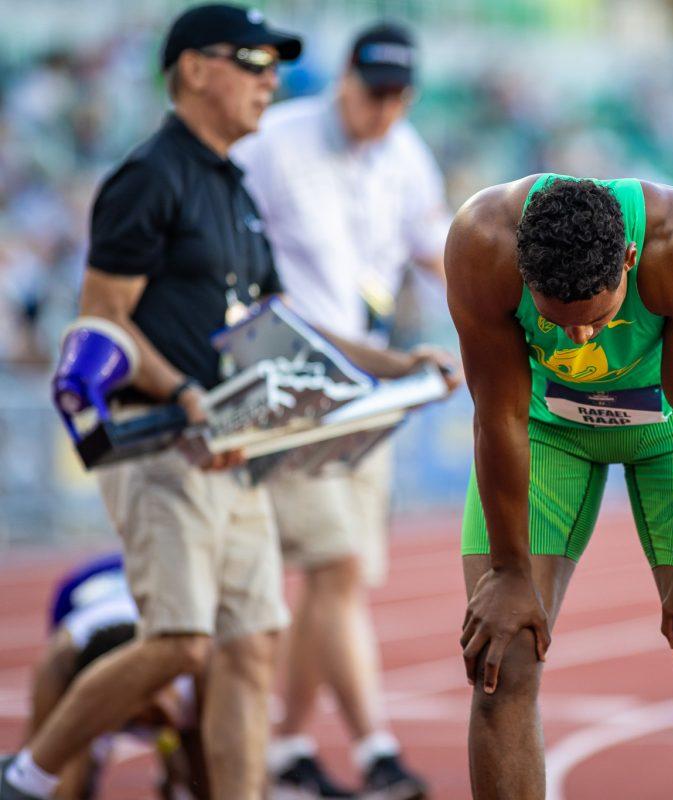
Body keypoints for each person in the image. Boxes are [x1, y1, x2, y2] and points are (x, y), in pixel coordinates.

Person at [1, 7, 446, 799]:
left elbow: (282, 322)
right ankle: (27, 776)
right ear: (196, 69)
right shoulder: (150, 177)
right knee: (180, 643)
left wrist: (392, 362)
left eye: (276, 63)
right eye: (252, 60)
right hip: (161, 444)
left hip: (234, 455)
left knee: (251, 646)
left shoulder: (236, 185)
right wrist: (178, 390)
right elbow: (100, 318)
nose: (271, 77)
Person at [447, 173, 673, 799]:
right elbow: (498, 416)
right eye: (556, 321)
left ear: (628, 261)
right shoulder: (481, 243)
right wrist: (510, 572)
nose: (579, 337)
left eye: (595, 316)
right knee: (500, 664)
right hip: (545, 425)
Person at [234, 21, 451, 799]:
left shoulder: (407, 153)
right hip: (290, 383)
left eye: (399, 98)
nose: (384, 111)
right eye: (373, 94)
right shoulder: (274, 143)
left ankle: (289, 748)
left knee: (340, 583)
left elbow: (435, 251)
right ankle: (375, 749)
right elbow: (230, 254)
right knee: (336, 565)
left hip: (371, 384)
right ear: (343, 82)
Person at [27, 555, 206, 800]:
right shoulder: (60, 663)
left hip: (153, 585)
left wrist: (177, 754)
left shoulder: (200, 668)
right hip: (79, 591)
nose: (145, 725)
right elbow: (37, 772)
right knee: (63, 766)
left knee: (200, 767)